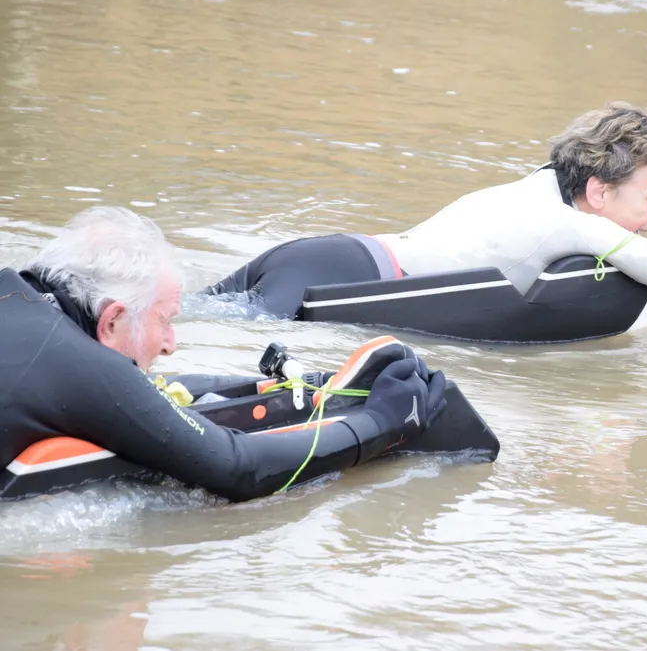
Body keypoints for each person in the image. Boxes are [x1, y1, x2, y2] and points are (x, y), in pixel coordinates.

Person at [206, 102, 647, 318]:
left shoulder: (546, 185)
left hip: (323, 255)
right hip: (343, 280)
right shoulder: (570, 222)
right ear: (598, 193)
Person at [0, 207, 446, 503]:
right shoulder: (78, 366)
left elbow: (142, 393)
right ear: (113, 320)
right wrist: (381, 424)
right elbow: (237, 469)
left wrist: (295, 383)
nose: (171, 343)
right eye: (165, 320)